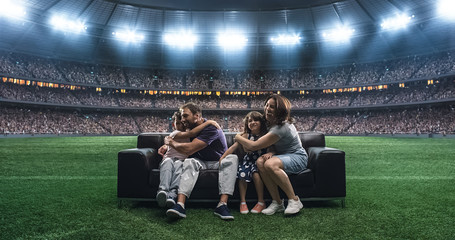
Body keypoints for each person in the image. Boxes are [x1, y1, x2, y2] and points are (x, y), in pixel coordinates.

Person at [234, 94, 308, 215]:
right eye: (267, 105)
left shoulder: (281, 127)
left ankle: (294, 200)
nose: (268, 109)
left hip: (297, 157)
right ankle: (277, 202)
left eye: (272, 107)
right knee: (259, 162)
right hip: (282, 155)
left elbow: (254, 146)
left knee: (270, 164)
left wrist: (237, 137)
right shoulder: (269, 122)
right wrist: (272, 151)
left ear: (280, 110)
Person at [164, 102, 238, 220]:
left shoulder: (211, 128)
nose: (183, 119)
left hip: (217, 162)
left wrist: (171, 143)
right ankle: (180, 204)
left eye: (186, 116)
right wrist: (166, 145)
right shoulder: (192, 128)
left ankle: (222, 205)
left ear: (197, 116)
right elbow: (182, 135)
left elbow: (189, 149)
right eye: (182, 116)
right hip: (201, 161)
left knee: (233, 158)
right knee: (189, 161)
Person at [156, 111, 219, 208]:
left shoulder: (190, 136)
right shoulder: (175, 133)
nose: (180, 126)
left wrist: (166, 145)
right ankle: (162, 191)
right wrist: (208, 122)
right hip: (169, 158)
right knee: (168, 163)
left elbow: (193, 138)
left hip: (181, 160)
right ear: (174, 125)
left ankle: (172, 194)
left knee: (179, 166)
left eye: (182, 123)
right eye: (177, 123)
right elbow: (191, 133)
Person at [219, 111, 268, 214]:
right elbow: (233, 147)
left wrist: (271, 153)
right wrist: (223, 157)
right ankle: (243, 201)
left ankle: (261, 201)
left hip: (259, 161)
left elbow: (273, 148)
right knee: (242, 174)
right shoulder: (245, 135)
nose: (252, 122)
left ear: (261, 122)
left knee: (255, 174)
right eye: (250, 121)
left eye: (256, 120)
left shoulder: (265, 135)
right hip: (248, 160)